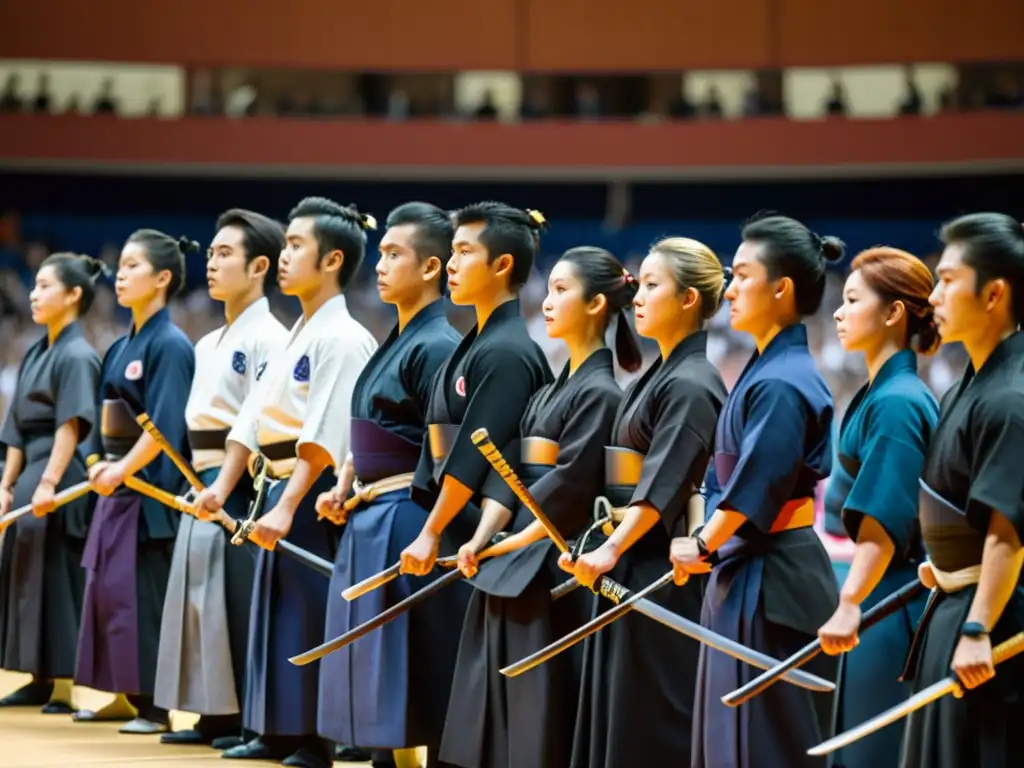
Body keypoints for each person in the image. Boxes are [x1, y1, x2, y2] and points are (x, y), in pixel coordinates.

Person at [196, 197, 378, 768]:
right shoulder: (297, 331)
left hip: (312, 491)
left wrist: (290, 501)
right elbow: (249, 421)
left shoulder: (342, 337)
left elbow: (328, 434)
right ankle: (274, 729)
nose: (284, 254)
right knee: (271, 614)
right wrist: (223, 489)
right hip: (272, 486)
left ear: (333, 259)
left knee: (306, 616)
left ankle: (314, 738)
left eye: (297, 245)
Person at [443, 247, 639, 768]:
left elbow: (568, 485)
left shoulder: (601, 393)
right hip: (515, 553)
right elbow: (511, 470)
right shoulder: (553, 388)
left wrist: (511, 542)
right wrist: (482, 535)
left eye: (560, 290)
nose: (545, 302)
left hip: (553, 563)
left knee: (537, 716)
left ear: (597, 303)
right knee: (491, 709)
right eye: (547, 289)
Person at [672, 213, 843, 768]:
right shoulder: (766, 368)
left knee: (767, 745)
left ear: (781, 288)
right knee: (730, 742)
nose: (730, 287)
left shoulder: (783, 379)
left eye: (743, 275)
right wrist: (708, 542)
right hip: (744, 566)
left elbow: (755, 486)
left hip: (776, 580)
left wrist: (701, 545)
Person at [556, 237, 728, 768]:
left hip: (660, 571)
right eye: (640, 284)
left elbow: (665, 483)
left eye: (653, 286)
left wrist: (609, 551)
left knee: (652, 720)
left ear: (688, 300)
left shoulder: (694, 382)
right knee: (619, 713)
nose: (639, 296)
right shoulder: (655, 376)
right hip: (628, 560)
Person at [313, 202, 462, 768]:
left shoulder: (439, 345)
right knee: (374, 658)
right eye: (380, 254)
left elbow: (440, 449)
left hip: (410, 510)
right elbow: (368, 431)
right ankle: (387, 757)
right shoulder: (396, 337)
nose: (379, 265)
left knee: (408, 655)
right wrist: (346, 483)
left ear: (430, 268)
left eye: (394, 254)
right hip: (372, 507)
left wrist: (431, 527)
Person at [154, 209, 287, 749]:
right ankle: (212, 713)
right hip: (202, 478)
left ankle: (243, 716)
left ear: (259, 266)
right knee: (199, 601)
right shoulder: (207, 342)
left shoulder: (271, 336)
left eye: (224, 254)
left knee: (233, 599)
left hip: (240, 485)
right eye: (209, 253)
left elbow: (255, 419)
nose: (211, 263)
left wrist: (227, 486)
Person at [899, 213, 1024, 768]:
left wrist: (977, 626)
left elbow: (1007, 531)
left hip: (992, 622)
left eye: (948, 280)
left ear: (994, 293)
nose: (935, 294)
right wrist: (944, 565)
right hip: (953, 603)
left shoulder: (1011, 397)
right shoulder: (965, 389)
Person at [817, 247, 939, 768]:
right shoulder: (881, 392)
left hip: (891, 605)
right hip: (876, 598)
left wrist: (849, 602)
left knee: (873, 754)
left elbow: (884, 525)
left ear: (893, 313)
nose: (838, 313)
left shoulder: (898, 401)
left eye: (851, 299)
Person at [78, 230, 198, 733]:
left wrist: (122, 470)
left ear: (163, 278)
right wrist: (93, 466)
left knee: (139, 597)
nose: (119, 276)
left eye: (131, 266)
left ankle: (153, 704)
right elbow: (96, 427)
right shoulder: (118, 345)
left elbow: (167, 427)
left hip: (147, 493)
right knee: (106, 593)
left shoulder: (170, 345)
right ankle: (122, 695)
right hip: (112, 484)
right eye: (119, 266)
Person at [398, 202, 552, 574]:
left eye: (465, 252)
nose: (451, 263)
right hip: (455, 518)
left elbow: (476, 452)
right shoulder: (478, 342)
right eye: (453, 251)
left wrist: (432, 529)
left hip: (489, 533)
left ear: (502, 265)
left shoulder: (509, 352)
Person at [0, 253, 104, 714]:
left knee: (57, 577)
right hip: (30, 473)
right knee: (25, 575)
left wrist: (49, 482)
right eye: (34, 286)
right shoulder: (36, 351)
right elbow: (15, 426)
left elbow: (72, 424)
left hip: (61, 475)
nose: (33, 295)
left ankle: (61, 682)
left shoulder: (79, 355)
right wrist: (6, 483)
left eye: (44, 286)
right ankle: (37, 676)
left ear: (74, 295)